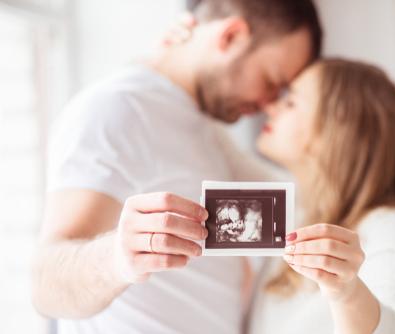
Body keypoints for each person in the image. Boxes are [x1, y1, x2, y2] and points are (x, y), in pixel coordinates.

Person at [30, 1, 322, 333]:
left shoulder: (201, 126)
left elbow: (299, 197)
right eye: (271, 81)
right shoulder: (116, 109)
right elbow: (45, 283)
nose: (268, 104)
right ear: (231, 36)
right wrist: (117, 257)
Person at [247, 58, 395, 333]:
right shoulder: (294, 208)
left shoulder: (387, 225)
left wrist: (347, 294)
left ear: (335, 130)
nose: (270, 106)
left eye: (291, 103)